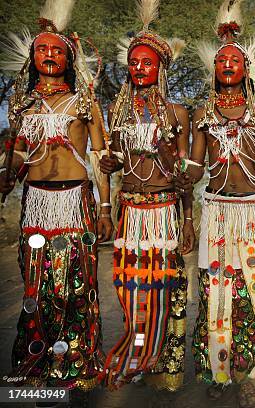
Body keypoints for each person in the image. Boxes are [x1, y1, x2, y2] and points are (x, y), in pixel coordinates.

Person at [0, 0, 111, 404]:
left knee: (76, 286)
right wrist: (7, 175)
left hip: (75, 203)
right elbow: (16, 155)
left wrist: (104, 209)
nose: (50, 55)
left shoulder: (85, 104)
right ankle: (35, 361)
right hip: (35, 206)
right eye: (43, 49)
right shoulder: (23, 105)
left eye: (58, 50)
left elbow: (100, 161)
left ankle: (77, 364)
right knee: (36, 286)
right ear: (32, 57)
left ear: (69, 58)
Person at [187, 1, 255, 407]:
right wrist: (168, 168)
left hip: (253, 210)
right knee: (216, 289)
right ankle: (219, 368)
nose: (227, 64)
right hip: (216, 210)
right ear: (214, 69)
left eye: (234, 59)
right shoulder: (203, 113)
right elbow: (194, 168)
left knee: (250, 289)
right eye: (220, 59)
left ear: (246, 68)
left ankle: (250, 362)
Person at [98, 0, 193, 395]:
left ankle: (155, 359)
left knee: (162, 288)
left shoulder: (176, 114)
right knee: (129, 286)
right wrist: (108, 164)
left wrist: (189, 219)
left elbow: (185, 177)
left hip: (164, 212)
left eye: (147, 62)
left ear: (160, 69)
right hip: (130, 213)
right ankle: (137, 350)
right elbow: (117, 161)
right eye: (133, 62)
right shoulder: (117, 114)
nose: (139, 68)